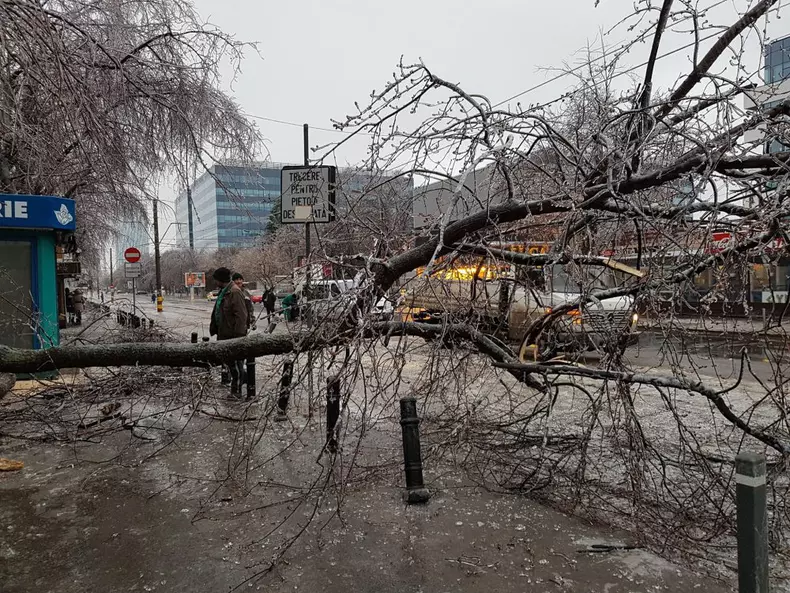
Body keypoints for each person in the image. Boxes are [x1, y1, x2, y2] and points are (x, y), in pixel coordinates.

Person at [209, 267, 249, 396]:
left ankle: (236, 392)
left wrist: (238, 337)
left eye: (216, 279)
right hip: (224, 334)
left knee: (236, 366)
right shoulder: (224, 291)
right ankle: (236, 388)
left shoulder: (234, 292)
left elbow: (241, 316)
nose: (215, 282)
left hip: (233, 336)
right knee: (231, 365)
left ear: (221, 280)